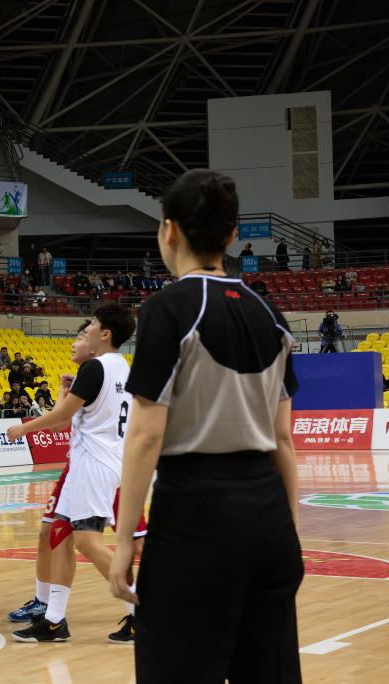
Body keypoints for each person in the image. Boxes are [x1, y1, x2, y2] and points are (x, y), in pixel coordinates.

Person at [108, 169, 302, 683]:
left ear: (168, 230)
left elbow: (146, 434)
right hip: (268, 513)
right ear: (233, 234)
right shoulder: (271, 315)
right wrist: (289, 529)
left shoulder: (168, 308)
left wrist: (124, 540)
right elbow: (283, 439)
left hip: (196, 514)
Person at [8, 306, 141, 644]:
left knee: (86, 540)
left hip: (94, 464)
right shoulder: (123, 367)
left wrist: (22, 429)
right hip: (98, 462)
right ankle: (54, 621)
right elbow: (75, 415)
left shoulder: (96, 367)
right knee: (60, 535)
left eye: (92, 325)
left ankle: (142, 609)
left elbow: (61, 417)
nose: (88, 329)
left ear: (105, 333)